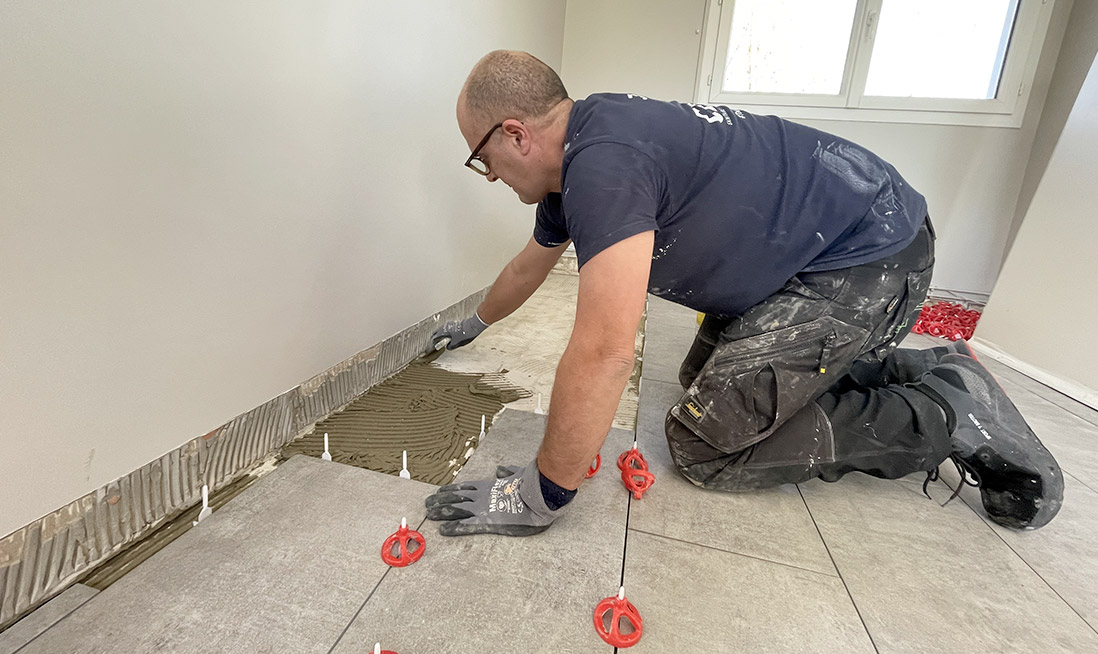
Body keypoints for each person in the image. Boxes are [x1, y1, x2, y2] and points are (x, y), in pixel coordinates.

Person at [423, 50, 1063, 537]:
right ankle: (912, 368)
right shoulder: (584, 157)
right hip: (821, 249)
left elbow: (604, 351)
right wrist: (473, 323)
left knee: (708, 443)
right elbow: (527, 268)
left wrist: (545, 491)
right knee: (705, 384)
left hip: (864, 258)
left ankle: (944, 415)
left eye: (481, 158)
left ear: (514, 134)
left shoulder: (604, 166)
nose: (490, 176)